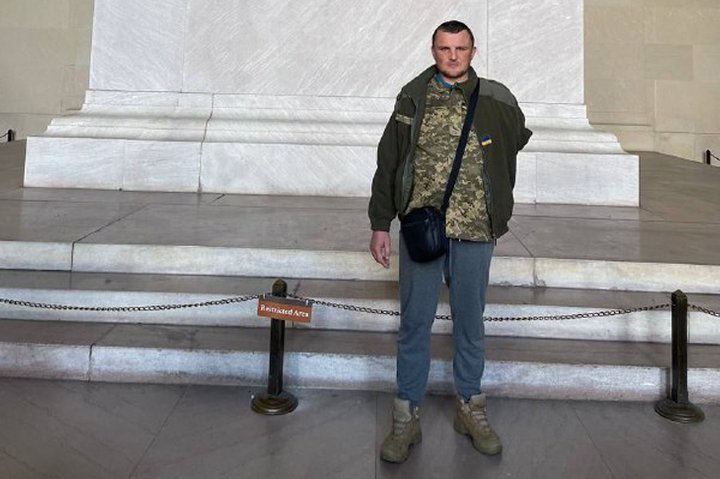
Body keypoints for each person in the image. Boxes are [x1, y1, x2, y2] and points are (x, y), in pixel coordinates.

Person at [368, 20, 532, 463]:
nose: (453, 56)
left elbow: (514, 141)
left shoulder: (497, 98)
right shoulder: (412, 97)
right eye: (445, 48)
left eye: (461, 48)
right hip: (423, 229)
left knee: (470, 322)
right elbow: (389, 161)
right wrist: (380, 223)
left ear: (473, 51)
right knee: (415, 322)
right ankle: (406, 415)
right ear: (434, 50)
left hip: (476, 229)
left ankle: (470, 407)